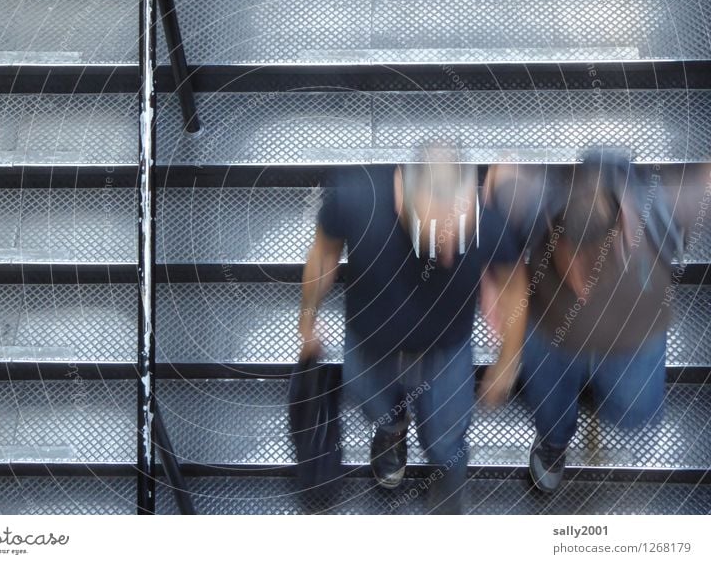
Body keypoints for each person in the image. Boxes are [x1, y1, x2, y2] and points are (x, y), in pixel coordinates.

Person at [298, 147, 527, 513]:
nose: (450, 251)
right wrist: (307, 320)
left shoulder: (487, 223)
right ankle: (392, 432)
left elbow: (514, 285)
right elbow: (324, 255)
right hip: (370, 349)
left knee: (446, 442)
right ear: (402, 196)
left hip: (445, 355)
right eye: (435, 235)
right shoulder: (355, 197)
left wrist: (510, 358)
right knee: (376, 409)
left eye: (458, 232)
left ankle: (445, 482)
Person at [483, 150, 710, 493]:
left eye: (592, 267)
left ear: (619, 233)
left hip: (631, 339)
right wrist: (493, 278)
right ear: (553, 230)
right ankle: (554, 442)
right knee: (550, 411)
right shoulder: (534, 203)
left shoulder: (663, 209)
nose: (580, 286)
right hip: (551, 333)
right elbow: (500, 173)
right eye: (567, 261)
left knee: (633, 413)